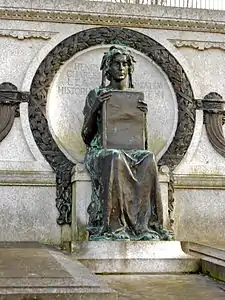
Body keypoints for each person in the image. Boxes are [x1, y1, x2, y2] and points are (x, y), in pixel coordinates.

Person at [81, 46, 169, 240]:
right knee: (115, 156)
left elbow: (141, 143)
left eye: (125, 64)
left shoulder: (134, 98)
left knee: (148, 158)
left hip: (130, 149)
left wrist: (142, 117)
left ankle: (145, 226)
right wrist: (96, 107)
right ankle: (114, 227)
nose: (121, 67)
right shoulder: (96, 94)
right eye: (116, 63)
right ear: (108, 68)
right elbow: (86, 137)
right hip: (101, 151)